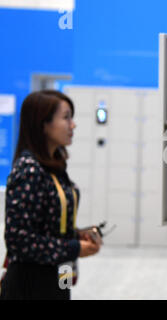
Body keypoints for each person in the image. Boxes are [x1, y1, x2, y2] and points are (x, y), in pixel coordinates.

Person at [0, 90, 100, 300]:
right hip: (31, 284)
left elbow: (49, 225)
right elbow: (18, 240)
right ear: (43, 124)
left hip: (60, 274)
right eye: (66, 118)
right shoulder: (29, 170)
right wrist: (73, 248)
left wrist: (76, 235)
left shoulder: (54, 168)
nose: (73, 125)